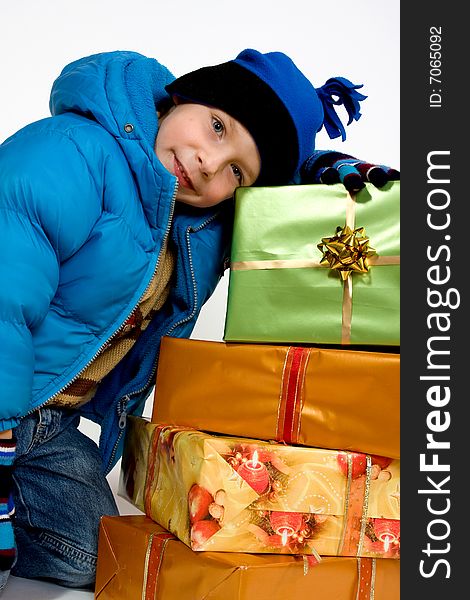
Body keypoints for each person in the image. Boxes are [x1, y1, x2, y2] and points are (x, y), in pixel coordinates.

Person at [0, 48, 398, 592]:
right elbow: (7, 290)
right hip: (10, 396)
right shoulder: (73, 154)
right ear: (182, 96)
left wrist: (326, 167)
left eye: (237, 171)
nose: (210, 162)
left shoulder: (200, 220)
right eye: (215, 127)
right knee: (81, 552)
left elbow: (278, 190)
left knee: (95, 557)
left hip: (47, 417)